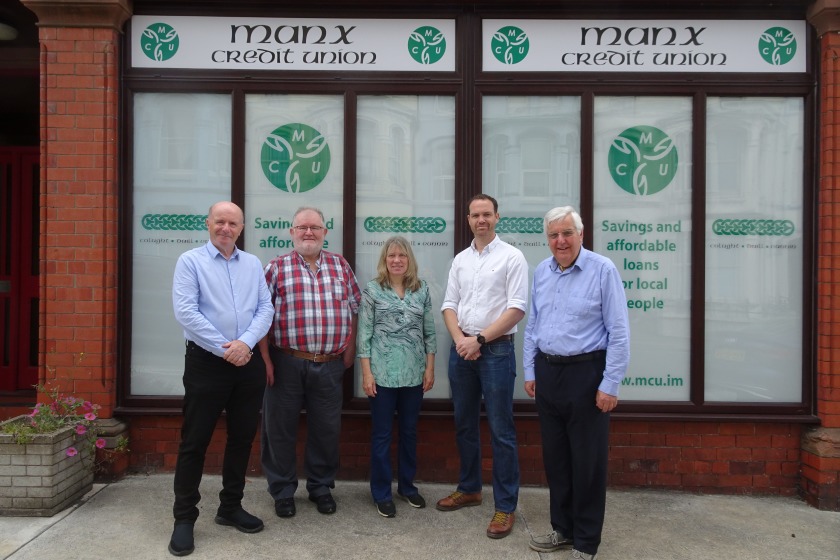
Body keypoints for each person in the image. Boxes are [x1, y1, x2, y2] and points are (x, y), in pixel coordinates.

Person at [523, 206, 630, 560]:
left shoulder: (603, 270)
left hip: (587, 375)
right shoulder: (541, 271)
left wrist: (610, 383)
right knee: (556, 460)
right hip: (548, 374)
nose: (560, 241)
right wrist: (531, 371)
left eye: (567, 233)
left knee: (587, 462)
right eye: (554, 235)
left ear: (581, 235)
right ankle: (563, 530)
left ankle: (586, 542)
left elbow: (619, 332)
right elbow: (533, 327)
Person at [169, 201, 274, 557]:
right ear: (208, 224)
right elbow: (186, 311)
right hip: (206, 364)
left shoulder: (252, 264)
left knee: (242, 438)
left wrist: (245, 345)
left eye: (232, 223)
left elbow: (265, 307)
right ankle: (184, 518)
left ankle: (230, 506)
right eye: (220, 222)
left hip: (247, 364)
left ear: (241, 228)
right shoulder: (190, 262)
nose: (225, 228)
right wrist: (225, 347)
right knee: (194, 441)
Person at [436, 193, 529, 539]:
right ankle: (470, 488)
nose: (481, 220)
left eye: (487, 214)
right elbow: (449, 304)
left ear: (497, 217)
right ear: (468, 219)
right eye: (475, 215)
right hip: (462, 350)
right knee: (464, 424)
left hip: (496, 352)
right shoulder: (461, 260)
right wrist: (462, 339)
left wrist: (480, 341)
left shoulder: (512, 257)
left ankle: (505, 507)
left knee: (501, 431)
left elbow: (516, 308)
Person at [259, 206, 361, 518]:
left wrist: (349, 348)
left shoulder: (340, 265)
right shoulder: (276, 267)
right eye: (302, 227)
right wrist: (265, 359)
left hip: (330, 364)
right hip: (286, 361)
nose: (308, 233)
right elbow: (260, 315)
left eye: (315, 227)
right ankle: (283, 491)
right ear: (291, 232)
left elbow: (354, 307)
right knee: (279, 429)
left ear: (324, 232)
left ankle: (320, 487)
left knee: (326, 429)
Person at [357, 236, 436, 518]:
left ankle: (407, 486)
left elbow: (429, 333)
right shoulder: (373, 290)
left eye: (402, 256)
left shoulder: (421, 290)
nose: (397, 260)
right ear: (385, 260)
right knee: (381, 435)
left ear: (409, 260)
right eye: (392, 256)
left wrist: (430, 368)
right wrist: (366, 374)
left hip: (414, 375)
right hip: (382, 375)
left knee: (409, 433)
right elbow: (363, 335)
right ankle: (381, 492)